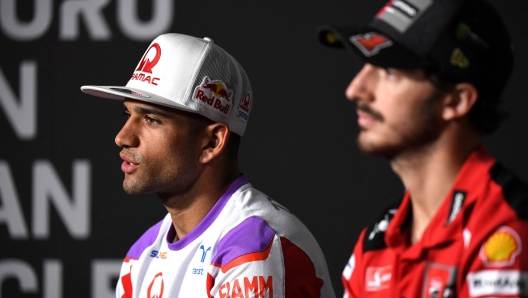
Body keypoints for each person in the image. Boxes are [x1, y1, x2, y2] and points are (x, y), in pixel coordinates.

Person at [81, 33, 335, 298]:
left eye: (152, 119)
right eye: (128, 114)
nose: (122, 137)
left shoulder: (254, 245)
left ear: (212, 142)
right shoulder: (141, 254)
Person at [317, 0, 528, 297]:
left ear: (455, 101)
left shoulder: (507, 227)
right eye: (366, 65)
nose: (355, 89)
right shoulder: (375, 244)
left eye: (389, 70)